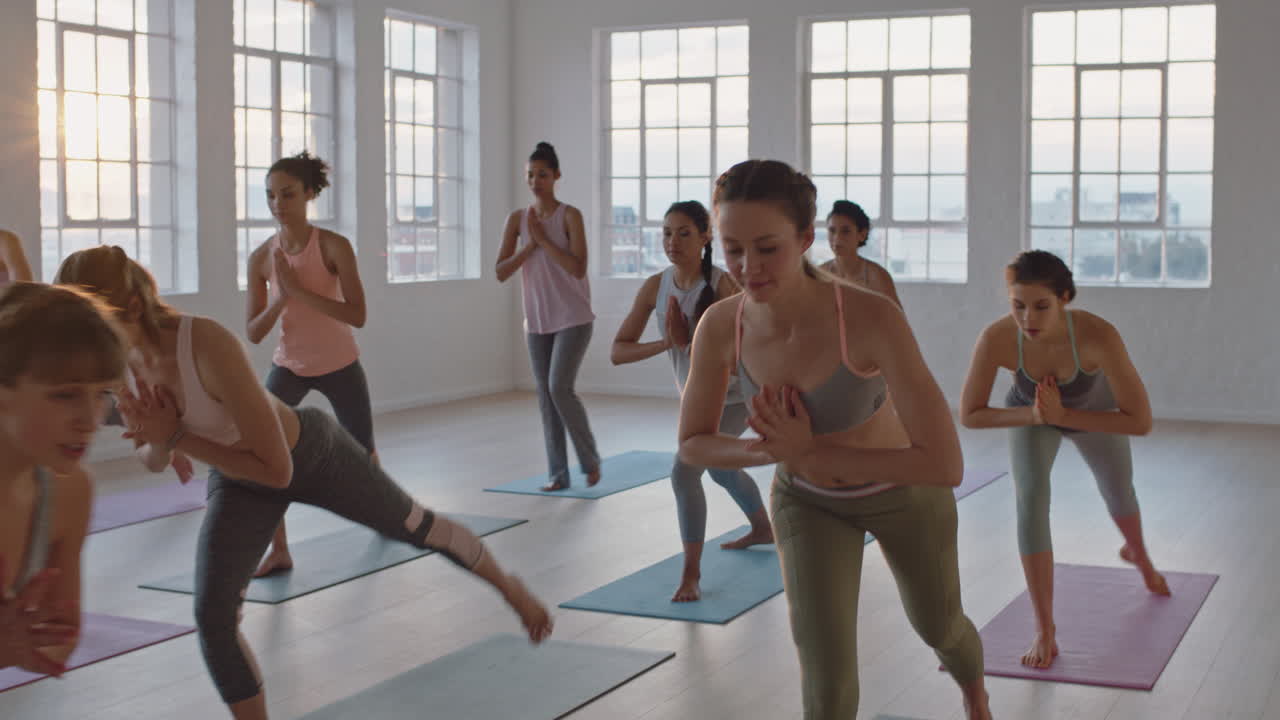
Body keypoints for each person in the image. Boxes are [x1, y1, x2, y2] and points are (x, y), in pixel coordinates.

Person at [57, 247, 552, 720]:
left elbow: (277, 471)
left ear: (133, 306)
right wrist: (163, 443)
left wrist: (178, 437)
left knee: (416, 527)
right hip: (238, 479)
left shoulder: (204, 342)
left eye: (93, 326)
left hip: (311, 455)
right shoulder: (118, 366)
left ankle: (509, 587)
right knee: (212, 618)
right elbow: (151, 456)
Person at [677, 160, 990, 719]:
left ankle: (975, 694)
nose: (748, 267)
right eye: (732, 249)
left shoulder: (870, 317)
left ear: (804, 239)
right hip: (807, 501)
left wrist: (807, 450)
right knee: (825, 680)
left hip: (904, 494)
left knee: (939, 627)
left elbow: (945, 464)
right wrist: (769, 452)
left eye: (767, 248)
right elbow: (693, 443)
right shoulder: (721, 325)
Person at [960, 249, 1166, 669]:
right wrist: (1037, 416)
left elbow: (1141, 421)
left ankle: (1140, 556)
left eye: (1041, 306)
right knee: (1030, 500)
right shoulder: (997, 338)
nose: (1028, 319)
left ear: (1065, 299)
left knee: (1117, 488)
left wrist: (1063, 416)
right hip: (1031, 413)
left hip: (1093, 412)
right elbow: (970, 414)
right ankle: (1045, 630)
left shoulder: (1098, 336)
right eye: (1018, 306)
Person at [610, 200, 772, 602]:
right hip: (697, 397)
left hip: (736, 395)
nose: (673, 242)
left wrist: (692, 341)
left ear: (705, 238)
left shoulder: (722, 285)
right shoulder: (656, 286)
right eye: (667, 233)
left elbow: (753, 348)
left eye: (684, 233)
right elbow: (619, 351)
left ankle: (691, 573)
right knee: (720, 470)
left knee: (684, 473)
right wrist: (669, 341)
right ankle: (763, 528)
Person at [245, 151, 374, 578]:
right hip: (289, 365)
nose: (278, 204)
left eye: (287, 194)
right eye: (270, 195)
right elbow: (254, 332)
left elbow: (357, 314)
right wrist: (282, 297)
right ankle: (279, 550)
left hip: (340, 363)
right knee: (262, 448)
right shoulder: (261, 258)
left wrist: (299, 291)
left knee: (364, 454)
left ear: (308, 195)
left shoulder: (334, 246)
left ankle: (390, 518)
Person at [1, 282, 125, 676]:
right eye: (65, 395)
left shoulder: (68, 491)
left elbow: (58, 643)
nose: (90, 420)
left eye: (101, 394)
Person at [495, 142, 601, 491]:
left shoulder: (570, 216)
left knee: (559, 387)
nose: (535, 181)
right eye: (530, 175)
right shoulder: (517, 220)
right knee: (546, 397)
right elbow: (500, 271)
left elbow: (577, 267)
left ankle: (589, 460)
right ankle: (558, 474)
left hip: (573, 318)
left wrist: (544, 240)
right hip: (537, 322)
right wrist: (529, 245)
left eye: (542, 174)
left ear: (556, 176)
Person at [819, 200, 900, 307]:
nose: (837, 238)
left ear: (862, 234)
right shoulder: (819, 274)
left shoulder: (878, 276)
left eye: (846, 231)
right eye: (832, 230)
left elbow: (897, 316)